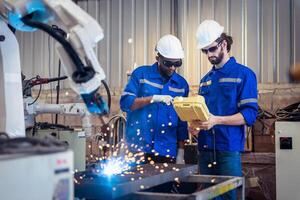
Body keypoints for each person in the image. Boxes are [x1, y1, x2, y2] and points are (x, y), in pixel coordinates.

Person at [190, 20, 258, 200]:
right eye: (205, 51)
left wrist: (216, 120)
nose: (209, 55)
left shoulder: (244, 74)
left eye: (212, 49)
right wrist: (195, 126)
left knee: (229, 196)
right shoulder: (205, 80)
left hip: (227, 150)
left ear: (224, 44)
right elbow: (203, 113)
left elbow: (250, 115)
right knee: (207, 197)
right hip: (204, 149)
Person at [120, 34, 189, 164]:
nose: (172, 68)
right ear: (158, 57)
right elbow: (125, 104)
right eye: (168, 63)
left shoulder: (181, 85)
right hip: (138, 149)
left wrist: (181, 152)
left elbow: (182, 122)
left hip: (167, 150)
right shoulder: (141, 75)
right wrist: (153, 98)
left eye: (177, 63)